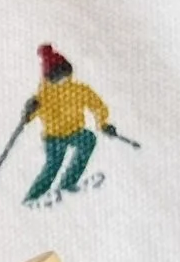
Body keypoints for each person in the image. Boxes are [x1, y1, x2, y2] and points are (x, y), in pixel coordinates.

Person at [19, 45, 113, 203]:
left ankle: (68, 182)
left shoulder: (78, 90)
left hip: (75, 131)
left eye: (64, 74)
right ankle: (33, 197)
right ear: (49, 78)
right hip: (53, 136)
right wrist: (28, 112)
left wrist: (103, 123)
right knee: (53, 165)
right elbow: (29, 116)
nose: (62, 80)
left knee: (89, 139)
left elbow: (97, 105)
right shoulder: (43, 95)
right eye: (57, 77)